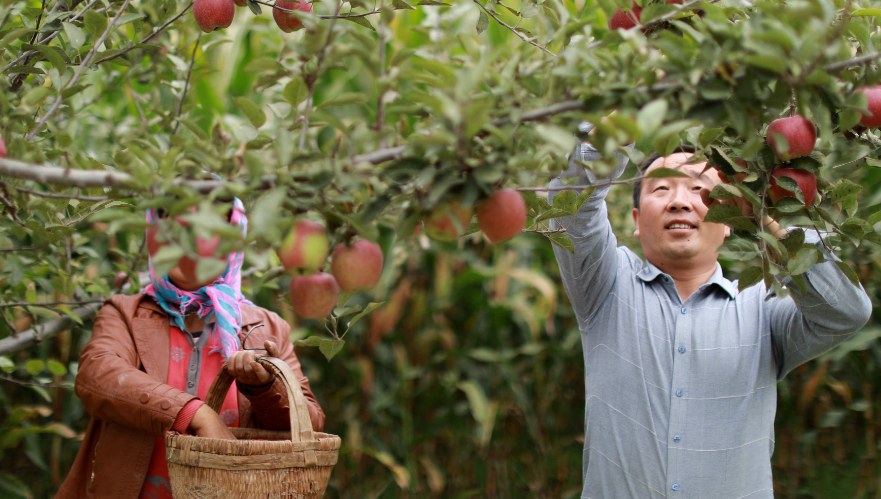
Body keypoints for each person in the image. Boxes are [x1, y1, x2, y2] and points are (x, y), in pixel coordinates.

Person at [549, 124, 872, 498]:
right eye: (661, 189)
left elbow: (846, 311)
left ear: (730, 221)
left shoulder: (763, 309)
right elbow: (572, 206)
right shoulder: (606, 286)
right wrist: (631, 111)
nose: (680, 202)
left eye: (699, 189)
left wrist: (765, 218)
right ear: (636, 222)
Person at [55, 196, 325, 499]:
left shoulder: (268, 328)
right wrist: (195, 413)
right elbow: (97, 375)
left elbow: (309, 422)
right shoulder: (124, 314)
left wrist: (265, 388)